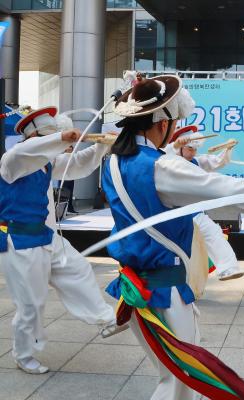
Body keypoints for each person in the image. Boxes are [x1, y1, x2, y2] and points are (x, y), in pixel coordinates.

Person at [103, 75, 244, 400]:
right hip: (162, 297)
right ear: (163, 124)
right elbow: (224, 190)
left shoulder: (113, 162)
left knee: (178, 380)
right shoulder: (162, 168)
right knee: (180, 383)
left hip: (139, 292)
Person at [0, 107, 121, 374]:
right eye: (51, 136)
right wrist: (61, 138)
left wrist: (102, 145)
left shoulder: (46, 164)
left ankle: (105, 318)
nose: (58, 141)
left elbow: (78, 163)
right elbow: (28, 152)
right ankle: (24, 355)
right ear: (35, 137)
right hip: (18, 240)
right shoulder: (12, 160)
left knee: (77, 267)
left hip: (44, 236)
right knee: (31, 304)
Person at [165, 125, 242, 281]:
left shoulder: (197, 162)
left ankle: (228, 268)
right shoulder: (167, 161)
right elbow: (165, 154)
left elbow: (218, 161)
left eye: (195, 149)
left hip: (193, 212)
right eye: (189, 148)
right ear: (180, 147)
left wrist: (228, 147)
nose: (193, 152)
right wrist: (175, 145)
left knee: (213, 232)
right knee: (175, 254)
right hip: (171, 214)